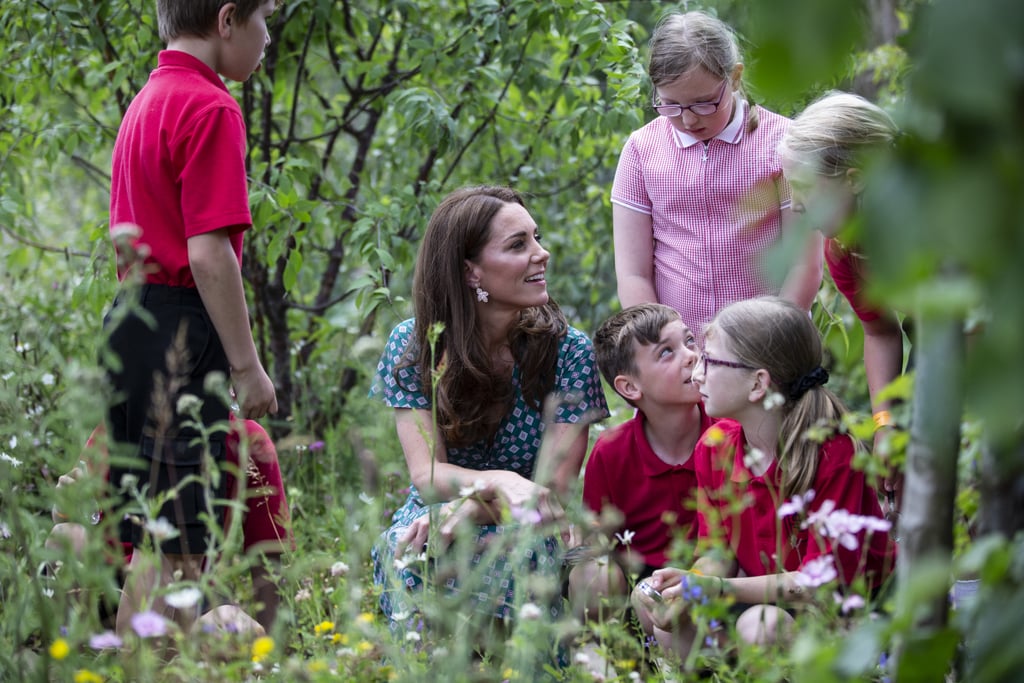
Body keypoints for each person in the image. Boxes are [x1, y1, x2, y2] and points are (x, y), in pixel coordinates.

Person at [102, 0, 278, 636]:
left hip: (130, 321)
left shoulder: (148, 100)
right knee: (177, 547)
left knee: (155, 536)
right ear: (227, 20)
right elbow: (208, 255)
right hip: (178, 326)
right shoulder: (210, 106)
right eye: (265, 21)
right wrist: (246, 366)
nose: (267, 40)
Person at [370, 186, 609, 637]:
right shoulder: (416, 343)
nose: (543, 253)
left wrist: (478, 508)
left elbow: (550, 491)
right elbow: (427, 475)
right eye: (519, 245)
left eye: (535, 237)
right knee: (406, 548)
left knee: (516, 557)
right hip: (438, 505)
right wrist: (500, 481)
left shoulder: (569, 351)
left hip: (533, 522)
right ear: (470, 271)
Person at [632, 296, 895, 660]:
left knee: (761, 627)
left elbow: (817, 584)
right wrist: (689, 582)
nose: (696, 373)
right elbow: (716, 551)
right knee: (657, 608)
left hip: (845, 615)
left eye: (711, 361)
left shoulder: (833, 456)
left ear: (758, 384)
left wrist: (719, 587)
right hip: (757, 600)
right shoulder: (715, 447)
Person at [611, 10, 822, 338]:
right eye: (670, 106)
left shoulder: (785, 146)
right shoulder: (641, 151)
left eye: (704, 103)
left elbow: (804, 266)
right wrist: (666, 347)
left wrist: (766, 346)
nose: (689, 120)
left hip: (774, 345)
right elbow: (633, 274)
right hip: (682, 359)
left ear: (735, 77)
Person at [48, 419, 293, 634]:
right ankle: (78, 658)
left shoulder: (246, 438)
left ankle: (157, 653)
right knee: (62, 538)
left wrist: (272, 655)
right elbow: (70, 517)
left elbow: (266, 552)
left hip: (187, 589)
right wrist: (63, 505)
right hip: (110, 581)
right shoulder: (116, 423)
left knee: (235, 629)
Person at [777, 91, 904, 504]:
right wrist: (887, 423)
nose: (795, 206)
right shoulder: (844, 250)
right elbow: (881, 331)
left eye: (805, 188)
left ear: (854, 178)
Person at [568, 303, 714, 637]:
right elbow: (597, 539)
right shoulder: (610, 452)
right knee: (593, 574)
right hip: (638, 580)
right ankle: (601, 649)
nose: (691, 355)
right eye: (667, 352)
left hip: (715, 572)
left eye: (690, 342)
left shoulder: (727, 431)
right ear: (630, 388)